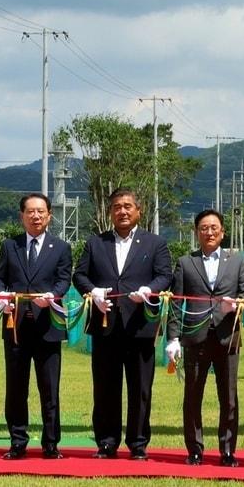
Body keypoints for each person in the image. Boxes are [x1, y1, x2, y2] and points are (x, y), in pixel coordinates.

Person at [73, 188, 173, 460]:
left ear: (138, 211)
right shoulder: (96, 243)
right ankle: (106, 442)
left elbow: (165, 276)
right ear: (110, 212)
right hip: (106, 326)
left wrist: (149, 289)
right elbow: (79, 276)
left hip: (141, 327)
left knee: (140, 388)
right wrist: (92, 291)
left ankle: (138, 444)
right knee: (105, 387)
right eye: (117, 206)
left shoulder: (155, 243)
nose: (122, 211)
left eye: (128, 206)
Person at [165, 209, 244, 467]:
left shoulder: (236, 262)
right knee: (193, 396)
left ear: (222, 231)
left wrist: (236, 306)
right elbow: (176, 303)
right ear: (197, 232)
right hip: (195, 337)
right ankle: (194, 449)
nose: (209, 232)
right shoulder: (185, 262)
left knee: (229, 397)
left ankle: (227, 451)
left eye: (214, 227)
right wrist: (172, 338)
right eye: (204, 227)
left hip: (228, 337)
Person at [0, 193, 72, 460]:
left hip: (48, 326)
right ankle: (17, 442)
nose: (36, 216)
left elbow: (63, 280)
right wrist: (2, 295)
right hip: (15, 326)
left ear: (49, 215)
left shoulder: (60, 248)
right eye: (30, 212)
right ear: (22, 216)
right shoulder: (9, 245)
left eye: (41, 212)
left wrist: (53, 295)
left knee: (49, 388)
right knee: (16, 388)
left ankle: (51, 443)